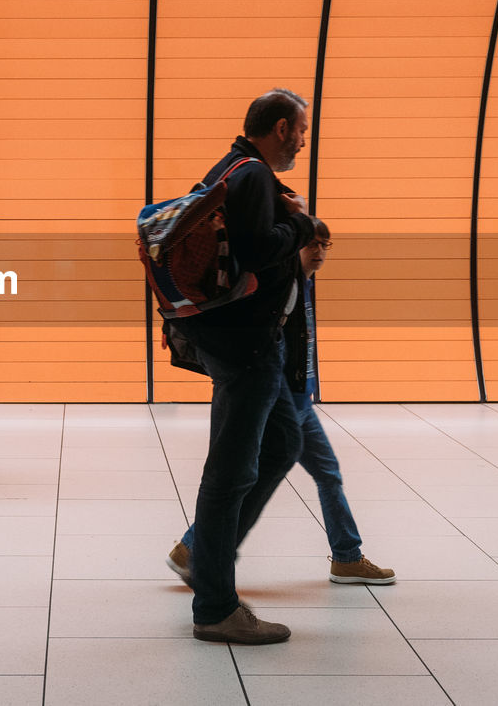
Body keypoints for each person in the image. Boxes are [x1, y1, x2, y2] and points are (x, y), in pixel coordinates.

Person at [165, 89, 319, 646]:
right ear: (280, 127)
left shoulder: (230, 169)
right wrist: (303, 227)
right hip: (248, 345)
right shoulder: (252, 175)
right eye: (301, 129)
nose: (303, 139)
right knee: (228, 475)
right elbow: (257, 252)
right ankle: (215, 605)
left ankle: (206, 556)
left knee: (282, 443)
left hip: (241, 341)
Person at [168, 220, 395, 588]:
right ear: (295, 247)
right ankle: (195, 549)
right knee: (257, 476)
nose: (319, 252)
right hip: (282, 400)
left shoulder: (302, 285)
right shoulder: (281, 287)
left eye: (326, 245)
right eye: (313, 245)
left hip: (298, 398)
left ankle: (346, 557)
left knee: (320, 475)